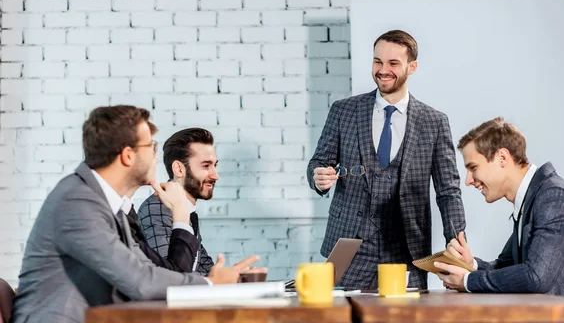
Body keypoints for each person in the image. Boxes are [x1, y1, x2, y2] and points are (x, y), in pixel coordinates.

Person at [11, 106, 259, 323]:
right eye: (150, 146)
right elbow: (140, 281)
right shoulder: (77, 202)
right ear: (128, 155)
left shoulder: (110, 204)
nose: (155, 155)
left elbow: (147, 268)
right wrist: (210, 285)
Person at [307, 29, 466, 289]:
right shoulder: (344, 111)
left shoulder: (434, 122)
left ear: (412, 67)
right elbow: (318, 163)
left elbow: (448, 190)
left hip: (407, 248)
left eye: (393, 63)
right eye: (377, 61)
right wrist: (318, 178)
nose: (383, 70)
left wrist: (456, 243)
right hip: (348, 247)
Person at [435, 117, 564, 298]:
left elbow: (535, 277)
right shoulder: (532, 198)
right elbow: (509, 267)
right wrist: (472, 264)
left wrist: (468, 281)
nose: (468, 180)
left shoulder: (555, 197)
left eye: (473, 167)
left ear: (502, 157)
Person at [137, 128, 218, 274]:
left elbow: (201, 264)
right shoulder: (157, 208)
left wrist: (234, 276)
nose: (215, 175)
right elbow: (170, 274)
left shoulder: (188, 209)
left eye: (215, 165)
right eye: (206, 166)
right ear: (179, 169)